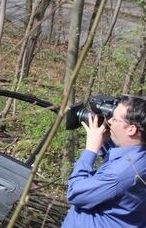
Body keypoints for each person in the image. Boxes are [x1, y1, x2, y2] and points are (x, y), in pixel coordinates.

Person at [62, 95, 146, 227]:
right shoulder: (138, 156)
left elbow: (75, 193)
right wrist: (104, 141)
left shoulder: (120, 174)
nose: (109, 121)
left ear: (131, 129)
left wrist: (90, 150)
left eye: (114, 119)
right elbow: (117, 159)